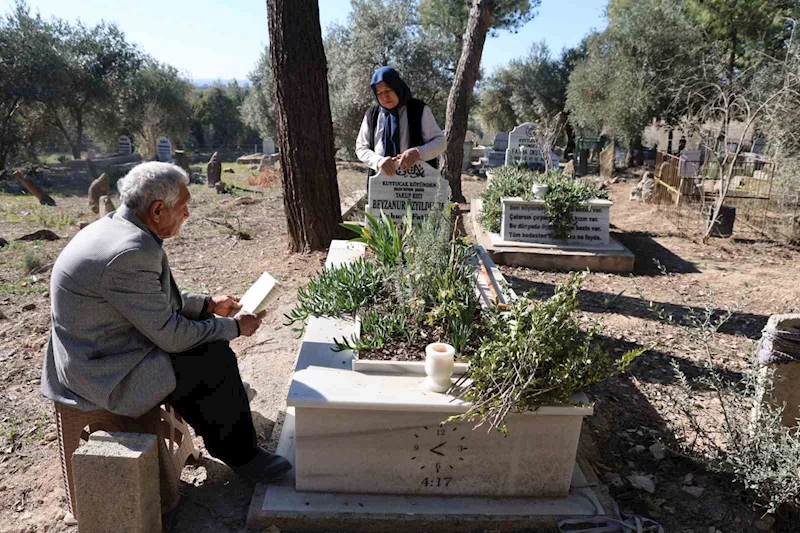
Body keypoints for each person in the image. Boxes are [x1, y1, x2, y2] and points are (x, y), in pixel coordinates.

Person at [40, 162, 290, 482]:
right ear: (158, 209)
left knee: (204, 353)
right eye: (183, 206)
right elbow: (171, 336)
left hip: (103, 347)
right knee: (213, 360)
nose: (187, 214)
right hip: (102, 369)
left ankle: (222, 430)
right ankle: (243, 457)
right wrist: (235, 329)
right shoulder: (129, 252)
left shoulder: (121, 228)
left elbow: (153, 300)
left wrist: (208, 305)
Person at [355, 66, 445, 189]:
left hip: (417, 188)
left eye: (388, 90)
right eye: (379, 93)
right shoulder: (372, 115)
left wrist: (418, 152)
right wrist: (378, 161)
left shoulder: (418, 109)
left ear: (397, 87)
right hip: (381, 187)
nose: (384, 96)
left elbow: (440, 142)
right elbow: (361, 147)